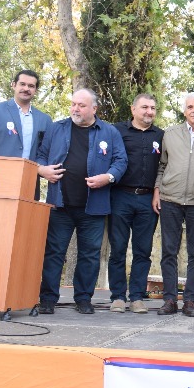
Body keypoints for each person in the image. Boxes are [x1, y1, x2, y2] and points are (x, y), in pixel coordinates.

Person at [36, 89, 127, 314]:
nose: (76, 109)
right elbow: (40, 156)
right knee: (55, 253)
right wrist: (43, 170)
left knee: (89, 255)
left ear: (94, 109)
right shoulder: (56, 128)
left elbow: (121, 160)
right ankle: (48, 298)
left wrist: (108, 177)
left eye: (82, 105)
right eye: (74, 104)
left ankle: (84, 298)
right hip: (60, 204)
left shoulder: (110, 132)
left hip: (93, 207)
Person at [153, 92, 194, 318]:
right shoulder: (170, 134)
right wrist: (157, 191)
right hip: (170, 199)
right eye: (190, 107)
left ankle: (190, 300)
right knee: (169, 252)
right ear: (184, 111)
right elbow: (161, 166)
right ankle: (170, 299)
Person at [108, 94, 164, 314]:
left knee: (143, 250)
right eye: (144, 107)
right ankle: (118, 297)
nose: (148, 111)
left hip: (147, 199)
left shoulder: (161, 135)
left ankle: (137, 297)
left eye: (152, 108)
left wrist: (157, 192)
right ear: (133, 110)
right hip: (120, 197)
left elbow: (163, 167)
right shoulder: (116, 131)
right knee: (118, 248)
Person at [0, 70, 53, 199]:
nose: (26, 88)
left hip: (27, 184)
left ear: (35, 90)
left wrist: (39, 168)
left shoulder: (44, 119)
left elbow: (43, 153)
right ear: (13, 85)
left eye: (31, 86)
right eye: (22, 84)